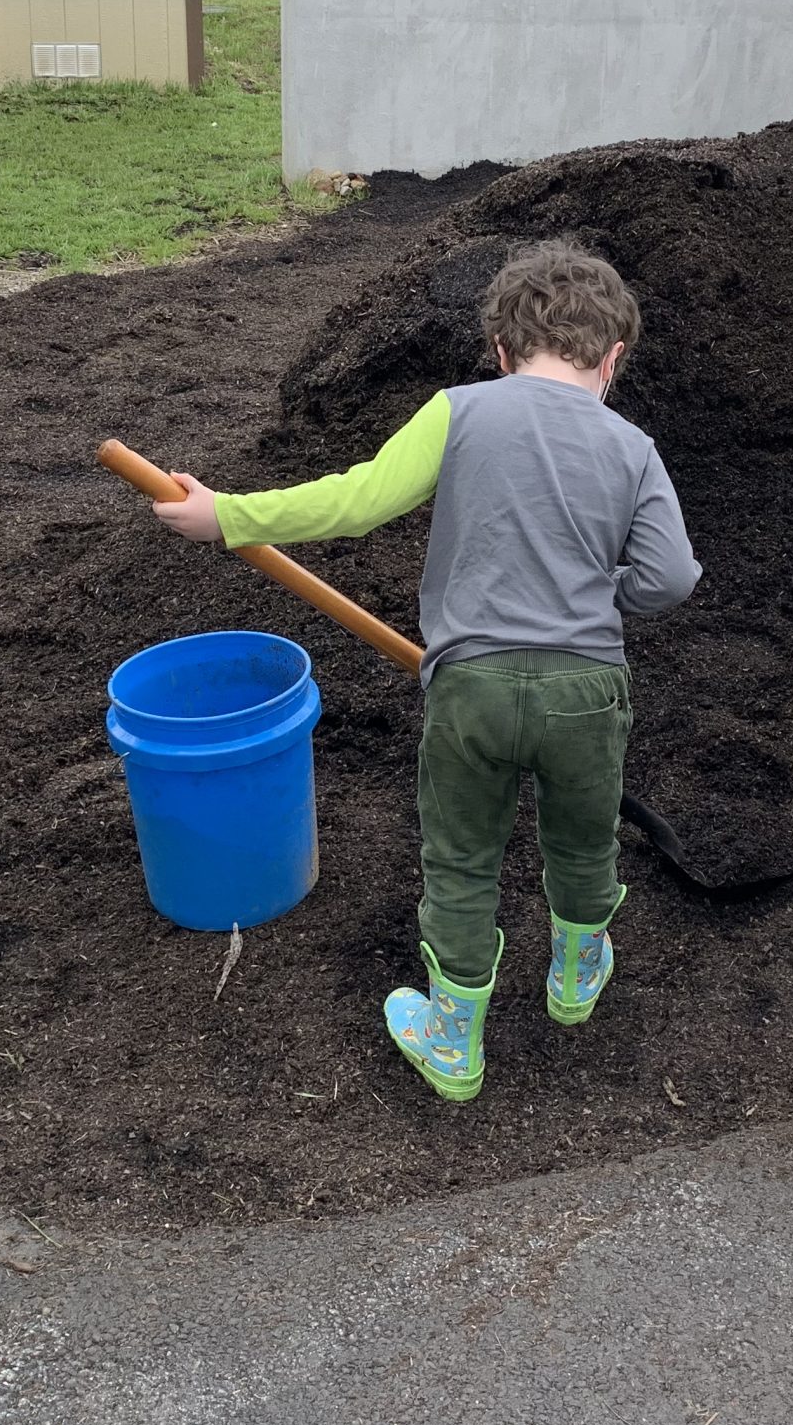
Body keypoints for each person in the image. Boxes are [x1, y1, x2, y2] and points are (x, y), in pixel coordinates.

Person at [145, 240, 701, 1101]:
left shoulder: (461, 410)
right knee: (583, 840)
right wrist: (598, 587)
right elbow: (671, 578)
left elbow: (359, 498)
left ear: (502, 351)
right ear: (614, 357)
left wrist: (228, 515)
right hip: (587, 692)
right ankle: (575, 980)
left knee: (463, 858)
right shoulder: (635, 446)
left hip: (472, 685)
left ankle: (453, 1043)